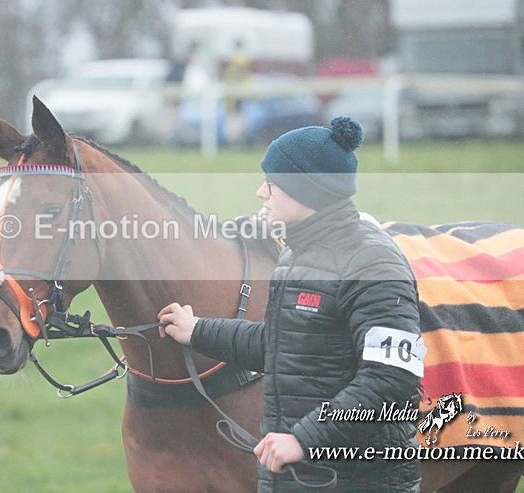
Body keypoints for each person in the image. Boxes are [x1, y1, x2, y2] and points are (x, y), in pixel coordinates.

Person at [158, 117, 424, 491]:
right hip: (294, 477)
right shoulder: (295, 256)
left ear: (307, 191)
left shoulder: (372, 262)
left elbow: (392, 379)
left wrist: (304, 439)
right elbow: (283, 346)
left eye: (272, 184)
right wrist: (198, 330)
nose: (260, 193)